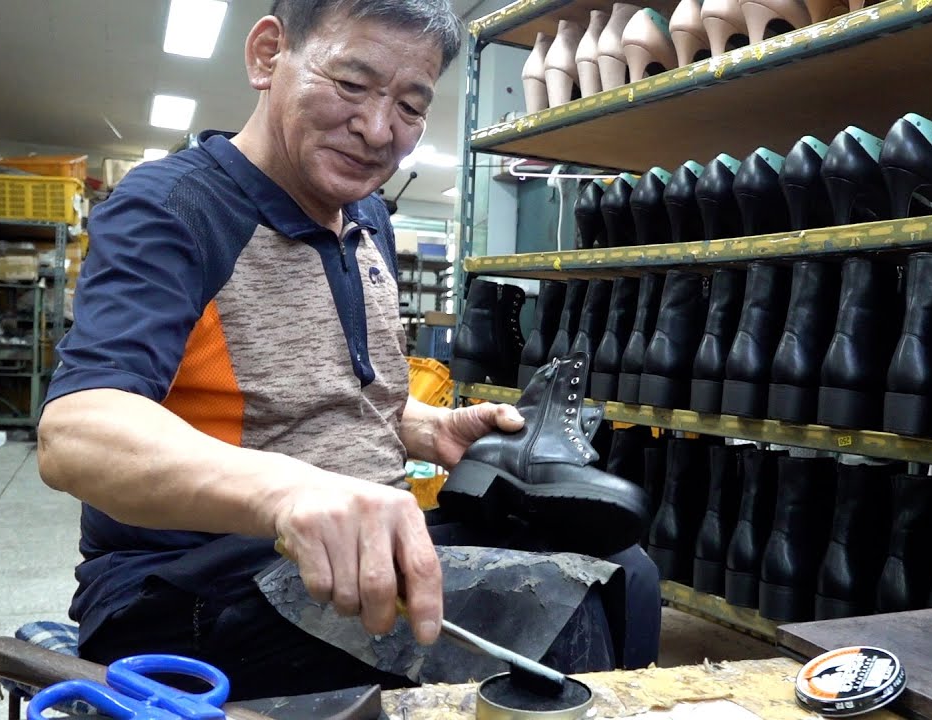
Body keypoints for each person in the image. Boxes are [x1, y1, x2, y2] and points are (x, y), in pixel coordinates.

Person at [36, 0, 659, 699]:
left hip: (348, 553)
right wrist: (288, 491)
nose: (376, 129)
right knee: (558, 612)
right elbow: (76, 432)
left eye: (411, 106)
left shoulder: (365, 219)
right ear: (269, 55)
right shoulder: (173, 210)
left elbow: (320, 400)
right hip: (186, 585)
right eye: (351, 85)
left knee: (625, 572)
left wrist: (426, 428)